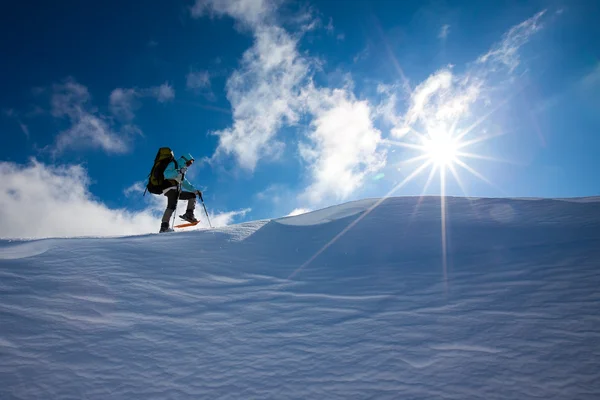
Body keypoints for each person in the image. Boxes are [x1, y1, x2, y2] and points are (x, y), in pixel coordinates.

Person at [159, 152, 202, 233]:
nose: (189, 165)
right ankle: (164, 227)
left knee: (192, 196)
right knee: (171, 206)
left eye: (191, 163)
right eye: (189, 162)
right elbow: (166, 174)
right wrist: (178, 172)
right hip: (169, 188)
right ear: (184, 160)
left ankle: (189, 215)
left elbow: (184, 182)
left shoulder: (182, 170)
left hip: (177, 190)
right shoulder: (174, 164)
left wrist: (195, 191)